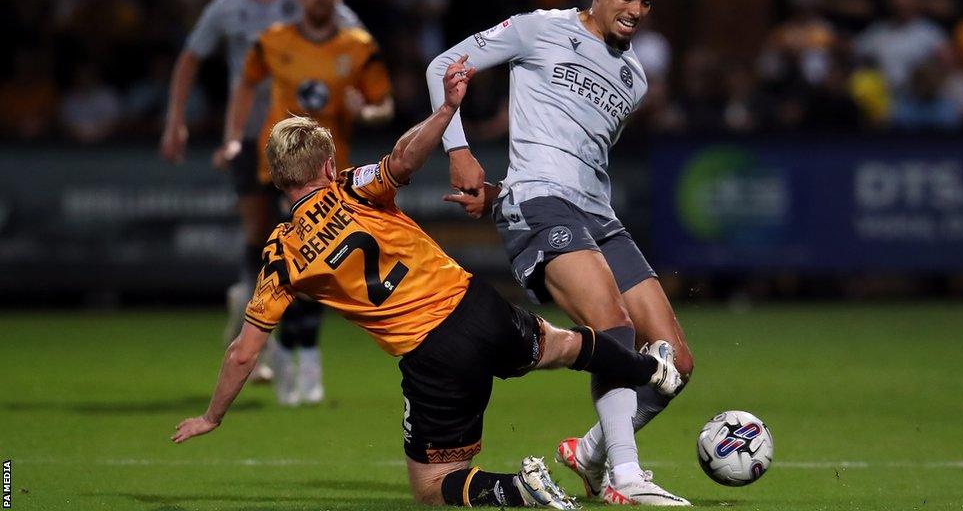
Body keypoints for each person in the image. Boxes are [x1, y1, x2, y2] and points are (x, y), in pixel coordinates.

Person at [172, 57, 684, 509]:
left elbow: (244, 352)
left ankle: (520, 489)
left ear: (279, 180)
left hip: (434, 354)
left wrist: (213, 416)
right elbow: (403, 160)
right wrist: (443, 114)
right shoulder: (353, 186)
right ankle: (650, 367)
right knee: (563, 346)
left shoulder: (282, 255)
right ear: (328, 164)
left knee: (433, 484)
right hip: (477, 303)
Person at [426, 0, 694, 505]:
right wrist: (458, 148)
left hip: (600, 216)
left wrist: (499, 193)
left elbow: (574, 153)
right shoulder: (537, 28)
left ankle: (591, 452)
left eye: (646, 2)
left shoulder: (634, 79)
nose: (636, 10)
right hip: (542, 206)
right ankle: (625, 478)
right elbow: (442, 66)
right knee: (613, 326)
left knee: (677, 361)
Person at [158, 0, 363, 384]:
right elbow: (190, 58)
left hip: (305, 140)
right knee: (258, 231)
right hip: (253, 138)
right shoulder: (228, 5)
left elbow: (357, 41)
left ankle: (286, 344)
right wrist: (176, 120)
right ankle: (259, 334)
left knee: (310, 240)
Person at [219, 0, 394, 406]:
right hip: (278, 169)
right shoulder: (273, 40)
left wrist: (367, 109)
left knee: (319, 266)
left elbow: (385, 101)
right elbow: (244, 83)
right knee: (290, 263)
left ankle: (303, 357)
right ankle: (286, 356)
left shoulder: (357, 46)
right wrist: (234, 137)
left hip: (327, 172)